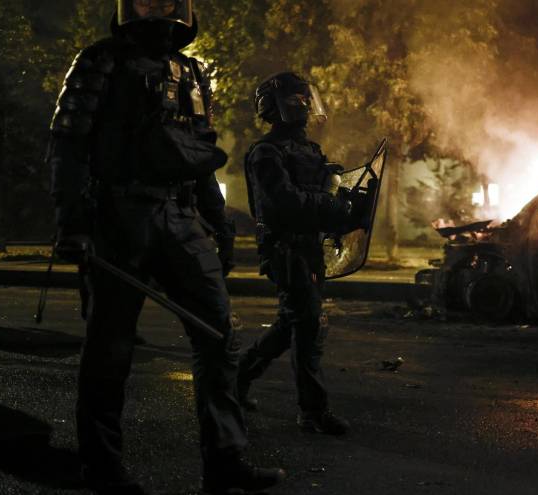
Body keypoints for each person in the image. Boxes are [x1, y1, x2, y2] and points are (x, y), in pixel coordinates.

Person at [46, 1, 284, 493]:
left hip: (180, 218)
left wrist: (218, 224)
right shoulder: (99, 60)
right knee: (110, 351)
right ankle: (103, 470)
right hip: (120, 220)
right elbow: (68, 144)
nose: (157, 8)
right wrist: (73, 225)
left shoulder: (193, 71)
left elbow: (197, 155)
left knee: (219, 336)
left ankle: (224, 461)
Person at [238, 71, 369, 436]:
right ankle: (313, 411)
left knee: (291, 324)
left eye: (306, 99)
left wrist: (352, 208)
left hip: (310, 247)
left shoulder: (310, 152)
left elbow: (320, 205)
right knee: (308, 324)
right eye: (296, 100)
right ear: (276, 108)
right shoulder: (266, 153)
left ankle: (237, 379)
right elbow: (285, 204)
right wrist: (331, 205)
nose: (305, 106)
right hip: (284, 247)